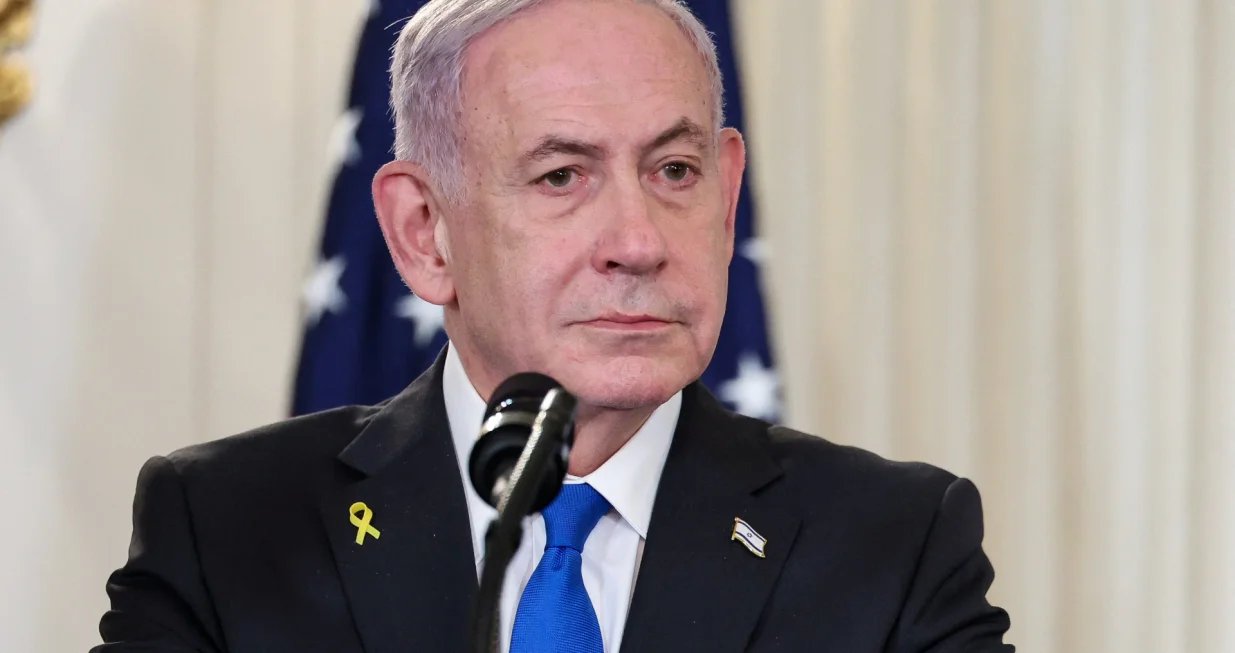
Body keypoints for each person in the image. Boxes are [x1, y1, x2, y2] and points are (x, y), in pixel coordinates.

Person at [93, 0, 1013, 651]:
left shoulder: (893, 546)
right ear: (424, 234)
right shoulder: (232, 532)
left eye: (676, 171)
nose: (638, 241)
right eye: (561, 176)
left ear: (729, 197)